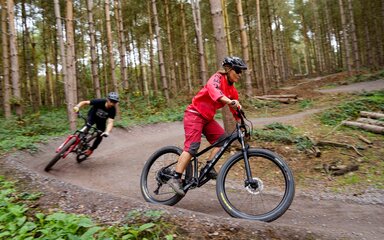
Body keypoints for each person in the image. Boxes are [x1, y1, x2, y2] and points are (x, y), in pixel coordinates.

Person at [168, 56, 247, 195]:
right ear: (228, 69)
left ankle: (208, 167)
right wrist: (229, 101)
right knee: (192, 147)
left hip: (207, 118)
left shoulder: (232, 89)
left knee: (223, 140)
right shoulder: (217, 78)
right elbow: (213, 90)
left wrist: (241, 122)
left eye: (241, 72)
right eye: (238, 71)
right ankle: (175, 177)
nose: (240, 74)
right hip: (194, 114)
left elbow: (235, 107)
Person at [73, 92, 119, 157]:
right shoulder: (100, 101)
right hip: (92, 117)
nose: (112, 103)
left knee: (100, 135)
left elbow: (110, 122)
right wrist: (77, 106)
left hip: (101, 122)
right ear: (107, 99)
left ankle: (91, 150)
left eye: (114, 102)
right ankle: (77, 140)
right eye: (111, 101)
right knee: (86, 127)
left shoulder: (113, 110)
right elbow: (85, 102)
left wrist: (107, 132)